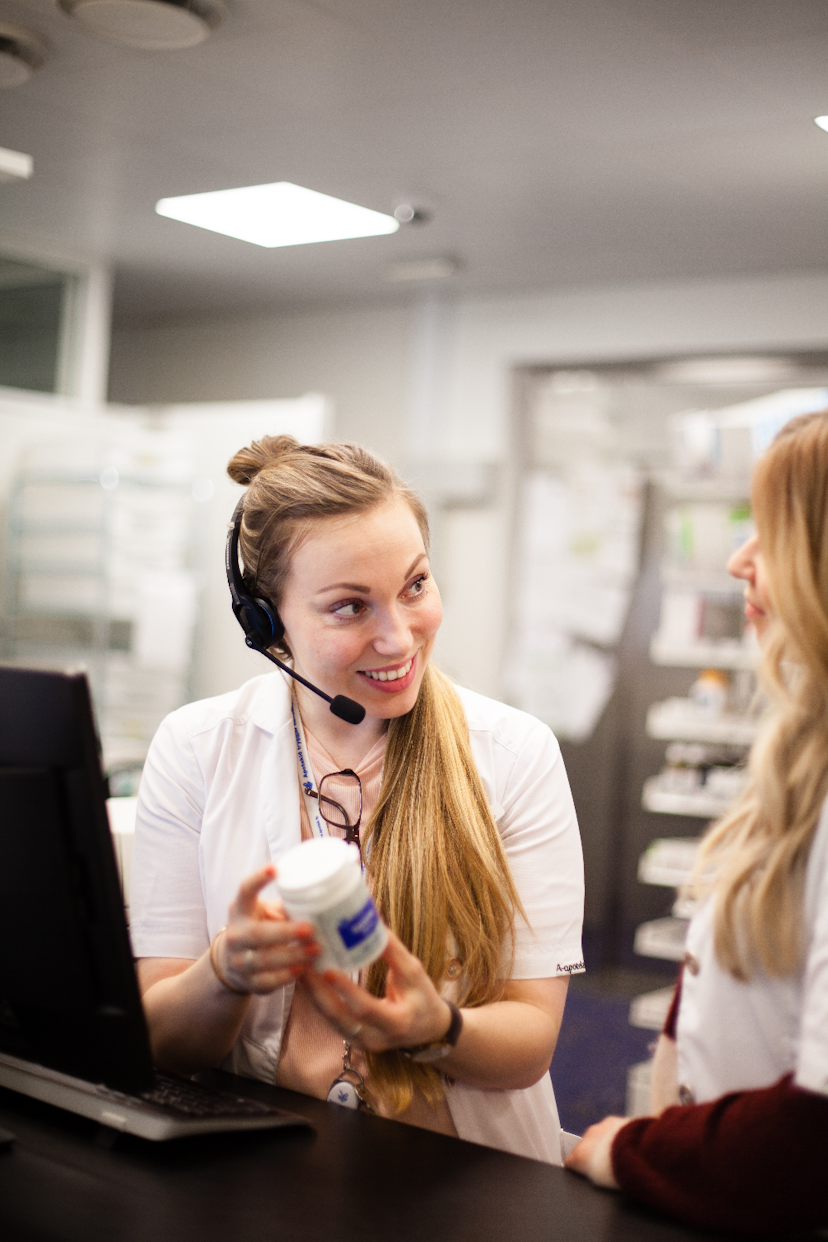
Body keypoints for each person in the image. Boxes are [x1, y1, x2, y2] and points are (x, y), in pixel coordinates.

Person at [130, 435, 585, 1163]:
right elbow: (161, 1043)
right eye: (349, 607)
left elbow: (530, 1043)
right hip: (258, 1168)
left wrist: (436, 1028)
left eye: (415, 585)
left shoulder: (514, 754)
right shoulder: (197, 749)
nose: (399, 638)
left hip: (462, 1178)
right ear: (266, 622)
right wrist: (226, 972)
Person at [566, 411, 828, 1236]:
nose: (738, 560)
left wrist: (632, 1151)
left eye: (773, 535)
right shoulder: (802, 753)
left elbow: (814, 1134)